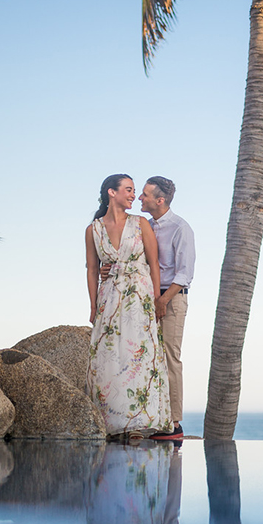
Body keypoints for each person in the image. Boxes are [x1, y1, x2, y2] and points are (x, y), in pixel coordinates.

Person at [85, 174, 173, 439]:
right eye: (128, 190)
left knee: (140, 354)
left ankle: (142, 420)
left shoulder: (141, 223)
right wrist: (93, 305)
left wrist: (157, 299)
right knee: (109, 356)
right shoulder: (93, 229)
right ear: (111, 192)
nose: (133, 195)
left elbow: (154, 263)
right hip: (109, 298)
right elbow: (91, 269)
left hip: (140, 298)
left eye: (135, 191)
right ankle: (111, 421)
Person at [137, 176, 195, 440]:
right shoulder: (144, 227)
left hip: (172, 298)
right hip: (146, 298)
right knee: (146, 357)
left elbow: (185, 273)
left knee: (171, 357)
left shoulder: (181, 228)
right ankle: (149, 417)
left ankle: (174, 424)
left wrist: (163, 300)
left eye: (145, 195)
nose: (140, 198)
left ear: (160, 200)